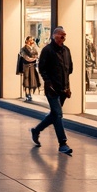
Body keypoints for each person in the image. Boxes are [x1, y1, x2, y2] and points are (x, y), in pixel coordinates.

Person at [31, 26, 74, 155]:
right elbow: (42, 68)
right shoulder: (47, 50)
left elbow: (69, 69)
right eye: (61, 35)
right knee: (58, 114)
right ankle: (63, 143)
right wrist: (48, 82)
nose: (64, 38)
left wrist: (67, 87)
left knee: (54, 115)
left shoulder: (66, 50)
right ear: (54, 36)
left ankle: (36, 130)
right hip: (52, 90)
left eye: (65, 35)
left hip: (63, 89)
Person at [17, 36, 39, 102]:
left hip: (32, 66)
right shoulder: (23, 49)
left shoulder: (33, 48)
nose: (33, 41)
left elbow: (37, 55)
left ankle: (30, 93)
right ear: (28, 41)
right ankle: (27, 94)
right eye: (31, 40)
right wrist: (34, 58)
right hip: (26, 66)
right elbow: (27, 58)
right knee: (26, 80)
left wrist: (35, 58)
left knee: (32, 80)